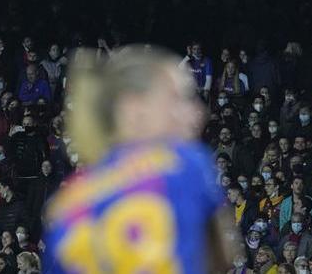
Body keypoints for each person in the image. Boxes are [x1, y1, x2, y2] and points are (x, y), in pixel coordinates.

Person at [43, 48, 241, 274]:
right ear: (134, 109)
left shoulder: (65, 205)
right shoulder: (184, 164)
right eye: (179, 99)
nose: (198, 112)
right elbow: (224, 258)